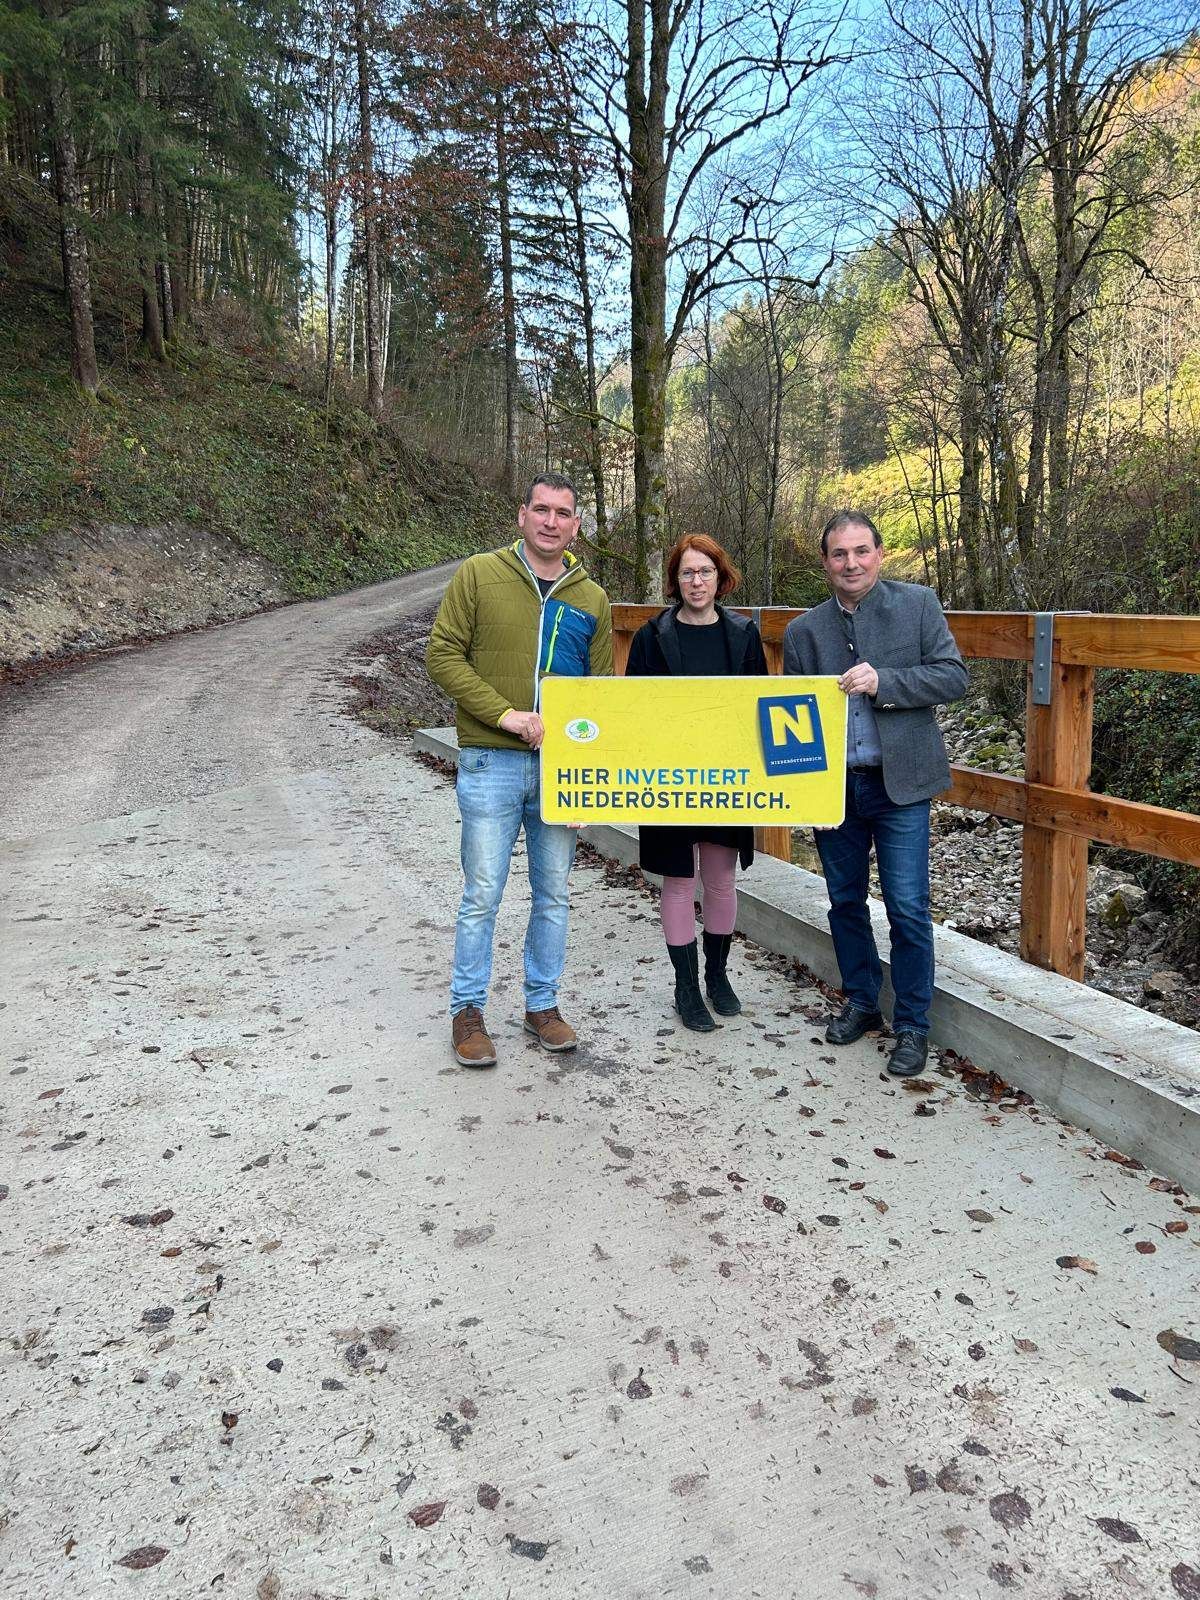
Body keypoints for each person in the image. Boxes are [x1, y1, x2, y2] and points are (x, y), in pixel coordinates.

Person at [426, 473, 612, 1069]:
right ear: (522, 516)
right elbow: (442, 654)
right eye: (541, 509)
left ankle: (542, 1005)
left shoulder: (592, 599)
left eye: (562, 513)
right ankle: (468, 1012)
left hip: (559, 771)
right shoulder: (479, 575)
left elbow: (599, 696)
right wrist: (506, 716)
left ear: (576, 524)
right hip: (490, 760)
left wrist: (592, 787)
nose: (550, 521)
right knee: (483, 892)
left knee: (553, 894)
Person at [783, 510, 968, 1078]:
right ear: (825, 562)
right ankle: (862, 1001)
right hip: (835, 789)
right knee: (843, 901)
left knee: (908, 908)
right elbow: (792, 719)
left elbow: (953, 676)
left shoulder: (917, 605)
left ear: (879, 554)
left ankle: (912, 1025)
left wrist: (885, 681)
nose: (851, 563)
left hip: (901, 785)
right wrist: (795, 790)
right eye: (839, 554)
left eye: (861, 551)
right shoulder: (804, 632)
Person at [625, 535, 769, 1032]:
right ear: (675, 580)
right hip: (667, 779)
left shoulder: (744, 635)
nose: (696, 581)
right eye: (687, 573)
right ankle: (686, 989)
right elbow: (632, 712)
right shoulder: (651, 637)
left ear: (720, 576)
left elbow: (763, 710)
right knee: (679, 883)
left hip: (725, 779)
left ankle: (717, 975)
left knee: (721, 881)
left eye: (705, 571)